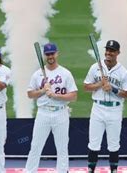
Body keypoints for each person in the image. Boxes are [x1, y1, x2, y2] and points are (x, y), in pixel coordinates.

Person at [25, 43, 78, 173]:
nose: (50, 56)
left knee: (62, 147)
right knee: (36, 146)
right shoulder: (37, 74)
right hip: (43, 113)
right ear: (44, 55)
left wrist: (55, 95)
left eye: (52, 53)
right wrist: (43, 90)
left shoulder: (65, 73)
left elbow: (74, 96)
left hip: (61, 113)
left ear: (57, 53)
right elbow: (30, 94)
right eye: (48, 54)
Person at [84, 40, 127, 173]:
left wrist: (113, 89)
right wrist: (99, 84)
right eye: (107, 50)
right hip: (98, 108)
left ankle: (114, 170)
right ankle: (90, 169)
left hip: (115, 110)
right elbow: (86, 87)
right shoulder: (95, 68)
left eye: (112, 50)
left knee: (114, 144)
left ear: (118, 53)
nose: (109, 53)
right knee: (94, 143)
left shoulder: (123, 72)